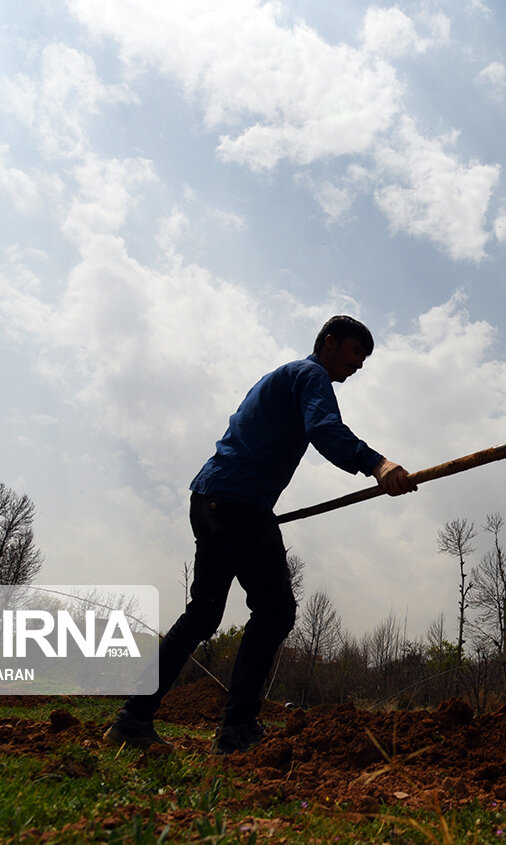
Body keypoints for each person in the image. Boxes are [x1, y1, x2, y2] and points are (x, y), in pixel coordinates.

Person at [105, 315, 416, 754]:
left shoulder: (279, 376)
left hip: (209, 497)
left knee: (203, 614)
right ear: (329, 343)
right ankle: (237, 730)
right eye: (354, 353)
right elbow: (324, 429)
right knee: (274, 612)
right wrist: (377, 464)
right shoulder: (312, 375)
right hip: (240, 504)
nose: (359, 366)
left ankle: (132, 718)